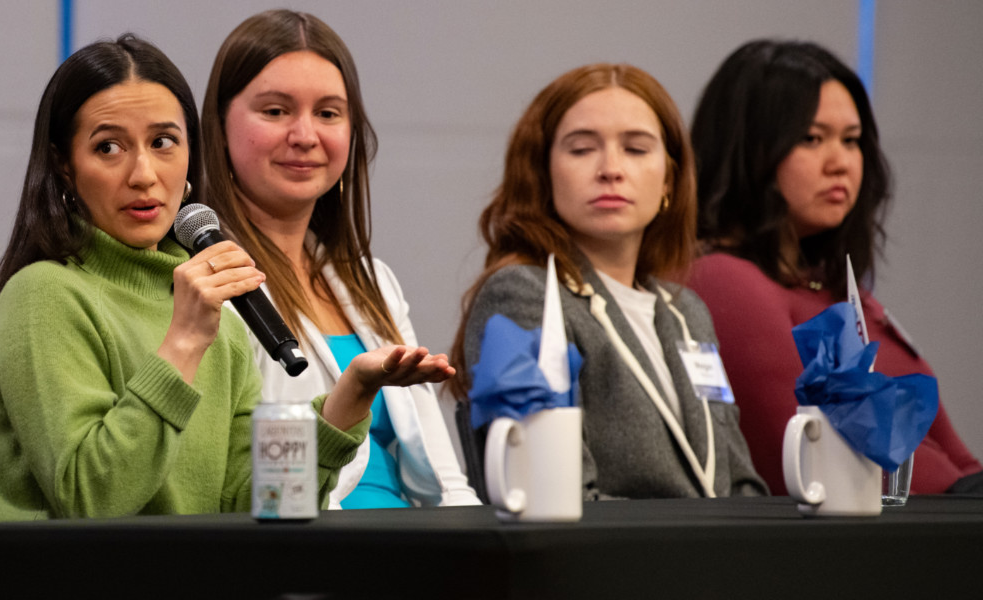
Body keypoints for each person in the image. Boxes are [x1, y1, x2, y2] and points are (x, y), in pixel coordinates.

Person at [0, 35, 454, 521]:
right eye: (108, 147)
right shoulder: (44, 296)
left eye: (164, 142)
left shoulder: (221, 318)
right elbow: (93, 501)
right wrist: (184, 341)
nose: (144, 173)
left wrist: (351, 396)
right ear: (65, 166)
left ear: (191, 155)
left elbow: (253, 504)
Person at [199, 9, 478, 509]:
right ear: (219, 127)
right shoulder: (205, 280)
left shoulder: (371, 278)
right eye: (276, 111)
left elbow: (444, 478)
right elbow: (246, 491)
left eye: (328, 113)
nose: (305, 135)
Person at [451, 64, 767, 500]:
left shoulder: (687, 311)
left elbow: (739, 480)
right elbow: (550, 498)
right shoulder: (524, 295)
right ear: (543, 174)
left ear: (669, 182)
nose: (611, 169)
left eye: (636, 149)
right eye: (582, 149)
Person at [688, 40, 982, 495]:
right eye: (811, 138)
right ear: (747, 149)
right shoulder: (725, 280)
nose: (840, 163)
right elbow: (815, 451)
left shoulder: (831, 285)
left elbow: (954, 455)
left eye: (851, 140)